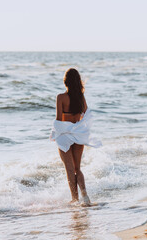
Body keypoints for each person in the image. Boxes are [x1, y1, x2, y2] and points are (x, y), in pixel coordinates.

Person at [50, 68, 101, 206]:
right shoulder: (81, 97)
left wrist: (56, 133)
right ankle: (85, 196)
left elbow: (59, 120)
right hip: (78, 135)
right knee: (77, 168)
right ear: (78, 81)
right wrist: (79, 129)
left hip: (65, 136)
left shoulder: (61, 97)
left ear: (65, 81)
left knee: (69, 169)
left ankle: (74, 199)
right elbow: (86, 115)